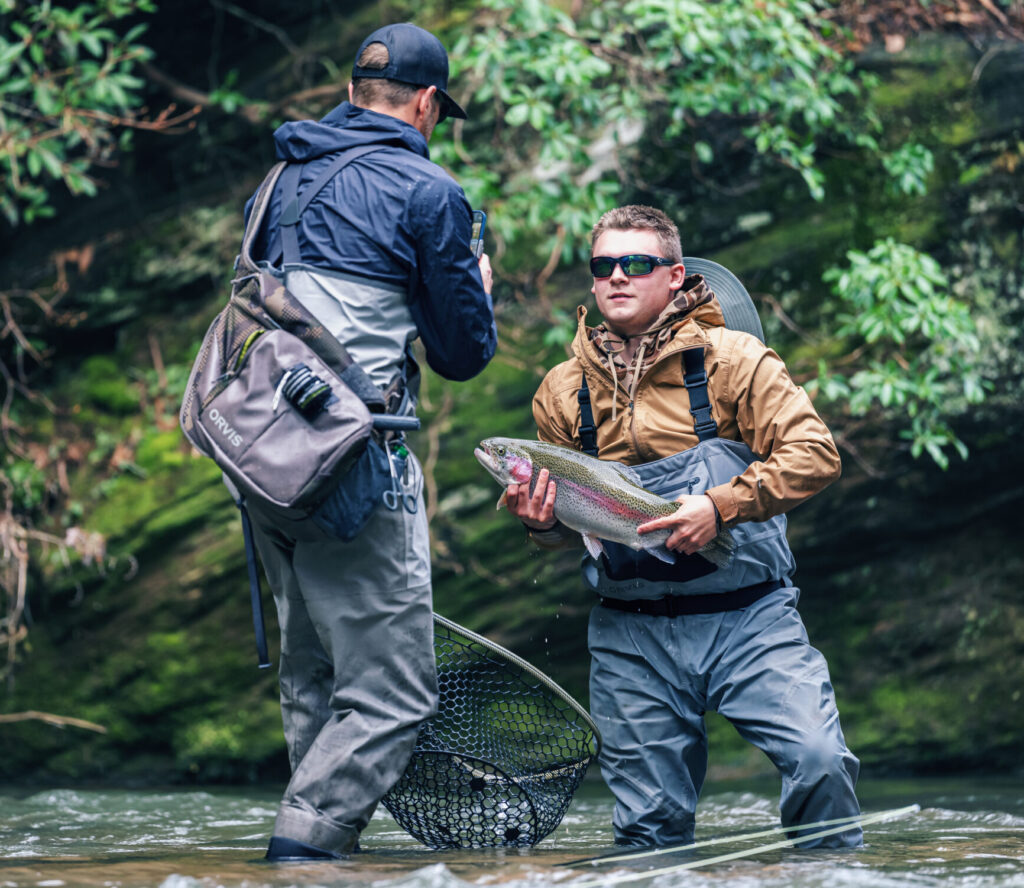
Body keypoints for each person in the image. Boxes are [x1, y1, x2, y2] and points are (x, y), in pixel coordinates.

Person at [503, 205, 861, 848]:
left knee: (819, 763)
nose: (618, 276)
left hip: (750, 618)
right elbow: (567, 530)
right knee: (648, 830)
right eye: (604, 265)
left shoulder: (736, 361)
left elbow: (816, 455)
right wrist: (542, 526)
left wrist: (718, 507)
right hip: (629, 632)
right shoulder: (560, 391)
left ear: (674, 276)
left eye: (636, 264)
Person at [242, 23, 497, 861]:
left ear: (354, 91)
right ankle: (305, 851)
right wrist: (477, 282)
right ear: (428, 105)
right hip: (353, 465)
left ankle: (316, 861)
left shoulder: (279, 179)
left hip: (262, 458)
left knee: (313, 673)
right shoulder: (430, 194)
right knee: (393, 696)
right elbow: (462, 354)